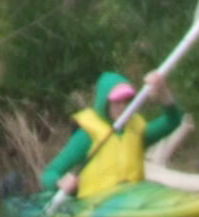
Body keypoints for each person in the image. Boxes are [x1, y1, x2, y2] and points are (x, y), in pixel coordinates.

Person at [40, 69, 181, 209]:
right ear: (105, 104)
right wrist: (59, 183)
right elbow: (49, 174)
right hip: (96, 206)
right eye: (117, 102)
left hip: (134, 200)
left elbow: (173, 121)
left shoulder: (136, 130)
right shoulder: (87, 135)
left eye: (127, 101)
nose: (123, 107)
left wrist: (163, 93)